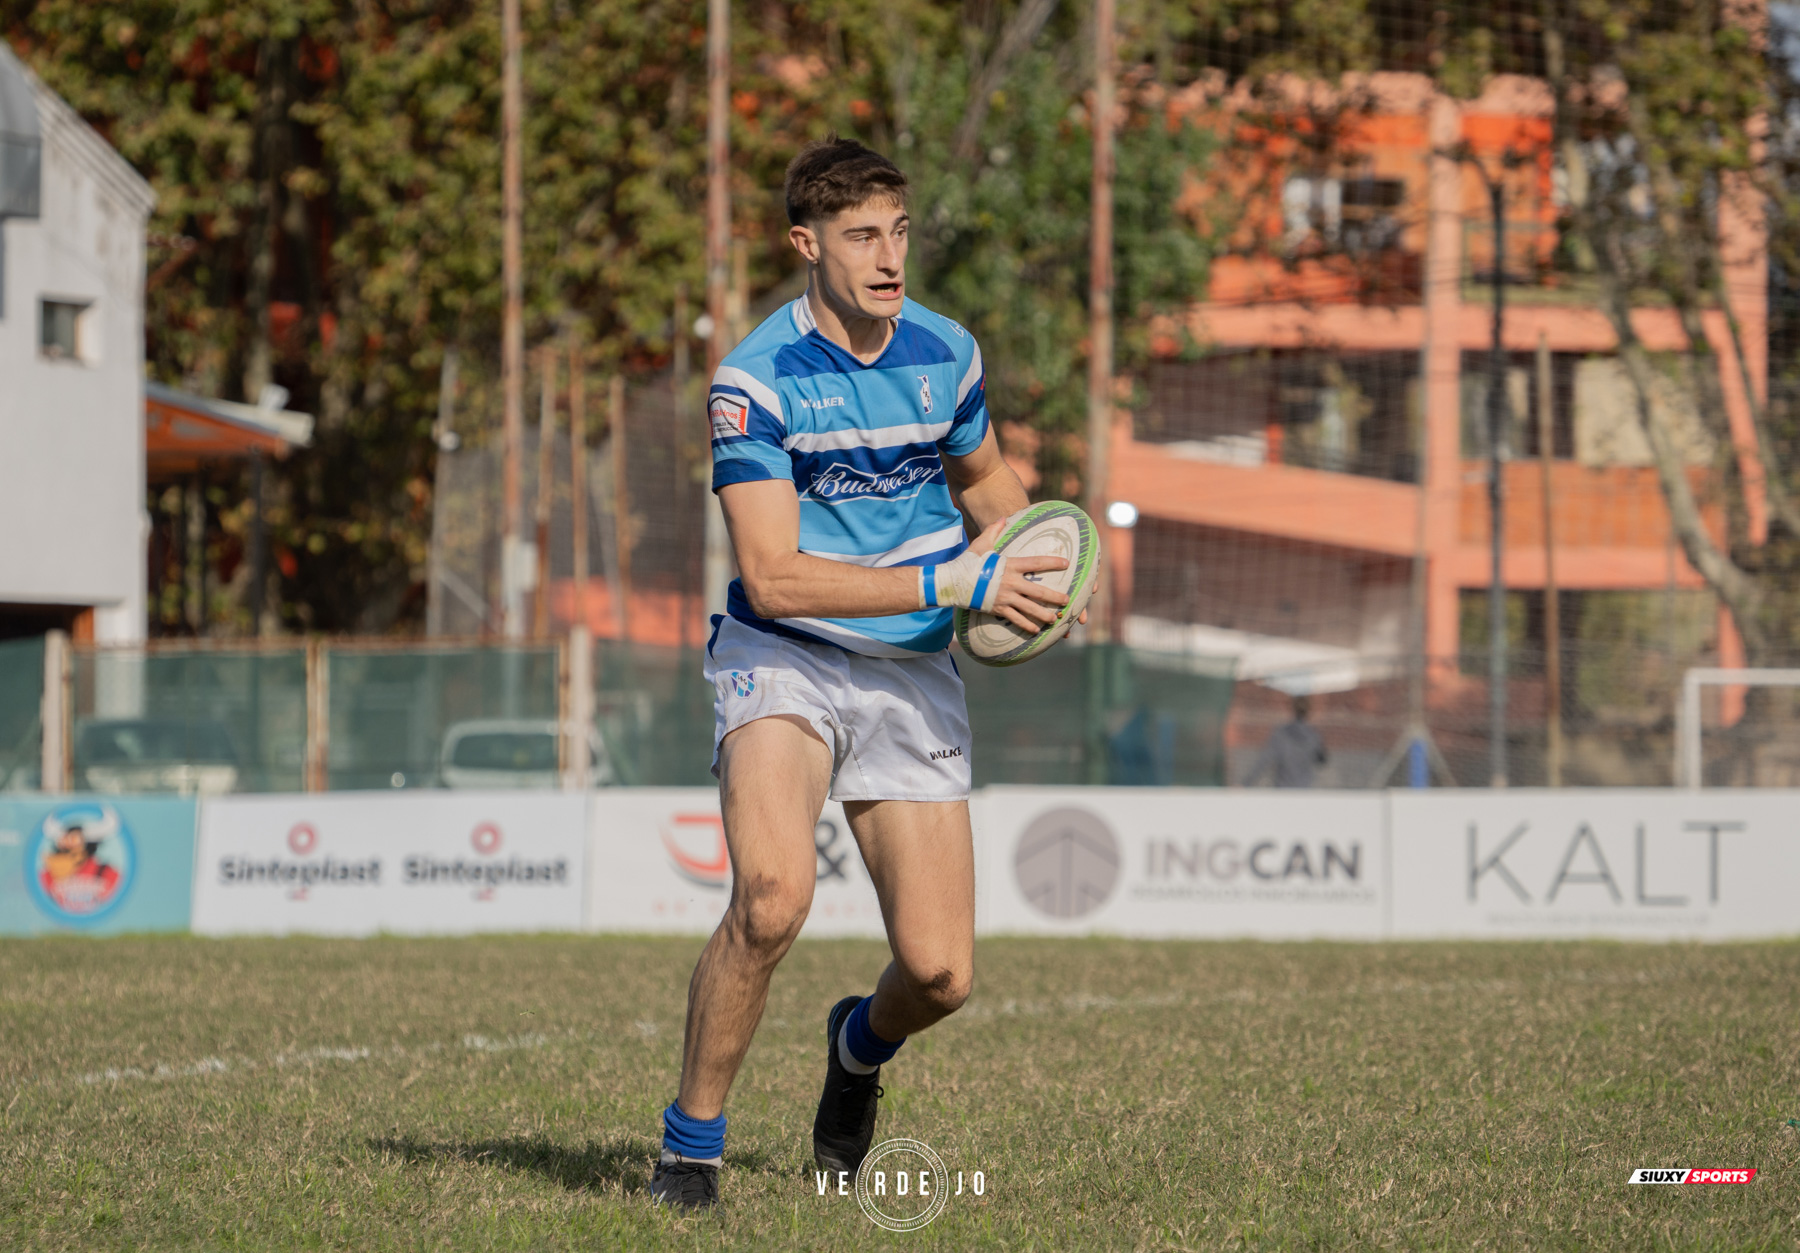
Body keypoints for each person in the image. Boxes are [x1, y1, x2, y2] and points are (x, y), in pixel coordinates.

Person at [648, 136, 1078, 1211]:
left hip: (911, 669)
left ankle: (857, 1044)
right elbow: (773, 574)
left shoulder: (947, 351)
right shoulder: (755, 381)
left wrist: (1043, 565)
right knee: (772, 897)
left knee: (940, 974)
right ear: (807, 244)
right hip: (783, 653)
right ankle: (690, 1153)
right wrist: (954, 579)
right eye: (861, 236)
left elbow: (985, 483)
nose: (889, 259)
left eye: (899, 232)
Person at [1244, 693, 1328, 788]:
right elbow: (1322, 760)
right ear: (1309, 710)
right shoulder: (1314, 735)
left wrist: (1246, 783)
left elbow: (1264, 760)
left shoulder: (1281, 733)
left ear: (1292, 708)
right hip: (1304, 789)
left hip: (1283, 788)